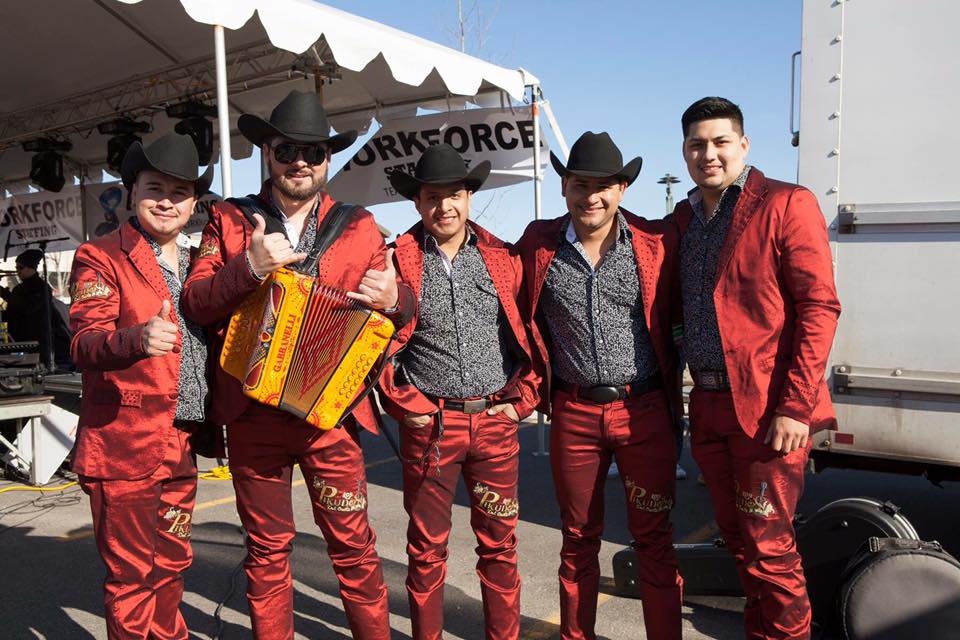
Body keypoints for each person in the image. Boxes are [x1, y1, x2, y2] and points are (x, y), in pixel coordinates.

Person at [181, 89, 415, 640]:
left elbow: (400, 312)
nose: (300, 162)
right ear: (268, 151)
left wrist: (397, 298)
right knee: (266, 554)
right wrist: (249, 266)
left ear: (328, 159)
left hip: (329, 416)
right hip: (253, 413)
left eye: (312, 151)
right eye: (288, 150)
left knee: (354, 548)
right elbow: (195, 300)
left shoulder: (360, 225)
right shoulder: (230, 221)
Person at [673, 96, 841, 639]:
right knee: (740, 546)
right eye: (697, 144)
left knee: (771, 550)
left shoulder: (787, 203)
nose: (709, 154)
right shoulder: (685, 218)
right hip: (709, 404)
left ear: (743, 145)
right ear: (685, 151)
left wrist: (795, 406)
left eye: (721, 141)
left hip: (768, 408)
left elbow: (819, 307)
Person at [517, 131, 683, 640]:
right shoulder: (537, 244)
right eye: (580, 183)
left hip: (645, 409)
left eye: (604, 185)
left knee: (653, 540)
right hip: (574, 412)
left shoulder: (656, 243)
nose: (591, 195)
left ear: (623, 189)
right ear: (565, 187)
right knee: (578, 539)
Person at [378, 144, 540, 640]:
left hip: (494, 424)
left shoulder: (503, 258)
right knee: (425, 550)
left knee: (500, 545)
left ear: (469, 196)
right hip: (431, 427)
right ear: (417, 202)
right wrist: (411, 408)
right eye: (432, 197)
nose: (443, 206)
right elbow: (375, 343)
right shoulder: (396, 262)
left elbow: (531, 331)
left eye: (453, 195)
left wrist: (521, 402)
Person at [68, 132, 213, 639]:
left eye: (180, 192)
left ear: (194, 202)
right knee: (131, 580)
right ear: (132, 191)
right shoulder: (99, 255)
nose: (167, 201)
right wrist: (134, 338)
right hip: (124, 443)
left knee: (172, 569)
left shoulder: (200, 264)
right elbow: (84, 341)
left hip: (182, 441)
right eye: (155, 188)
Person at [0, 248, 71, 367]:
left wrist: (5, 294)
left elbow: (29, 309)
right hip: (22, 341)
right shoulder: (19, 288)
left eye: (20, 268)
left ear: (29, 268)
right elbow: (13, 313)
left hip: (38, 344)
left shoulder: (41, 288)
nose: (17, 271)